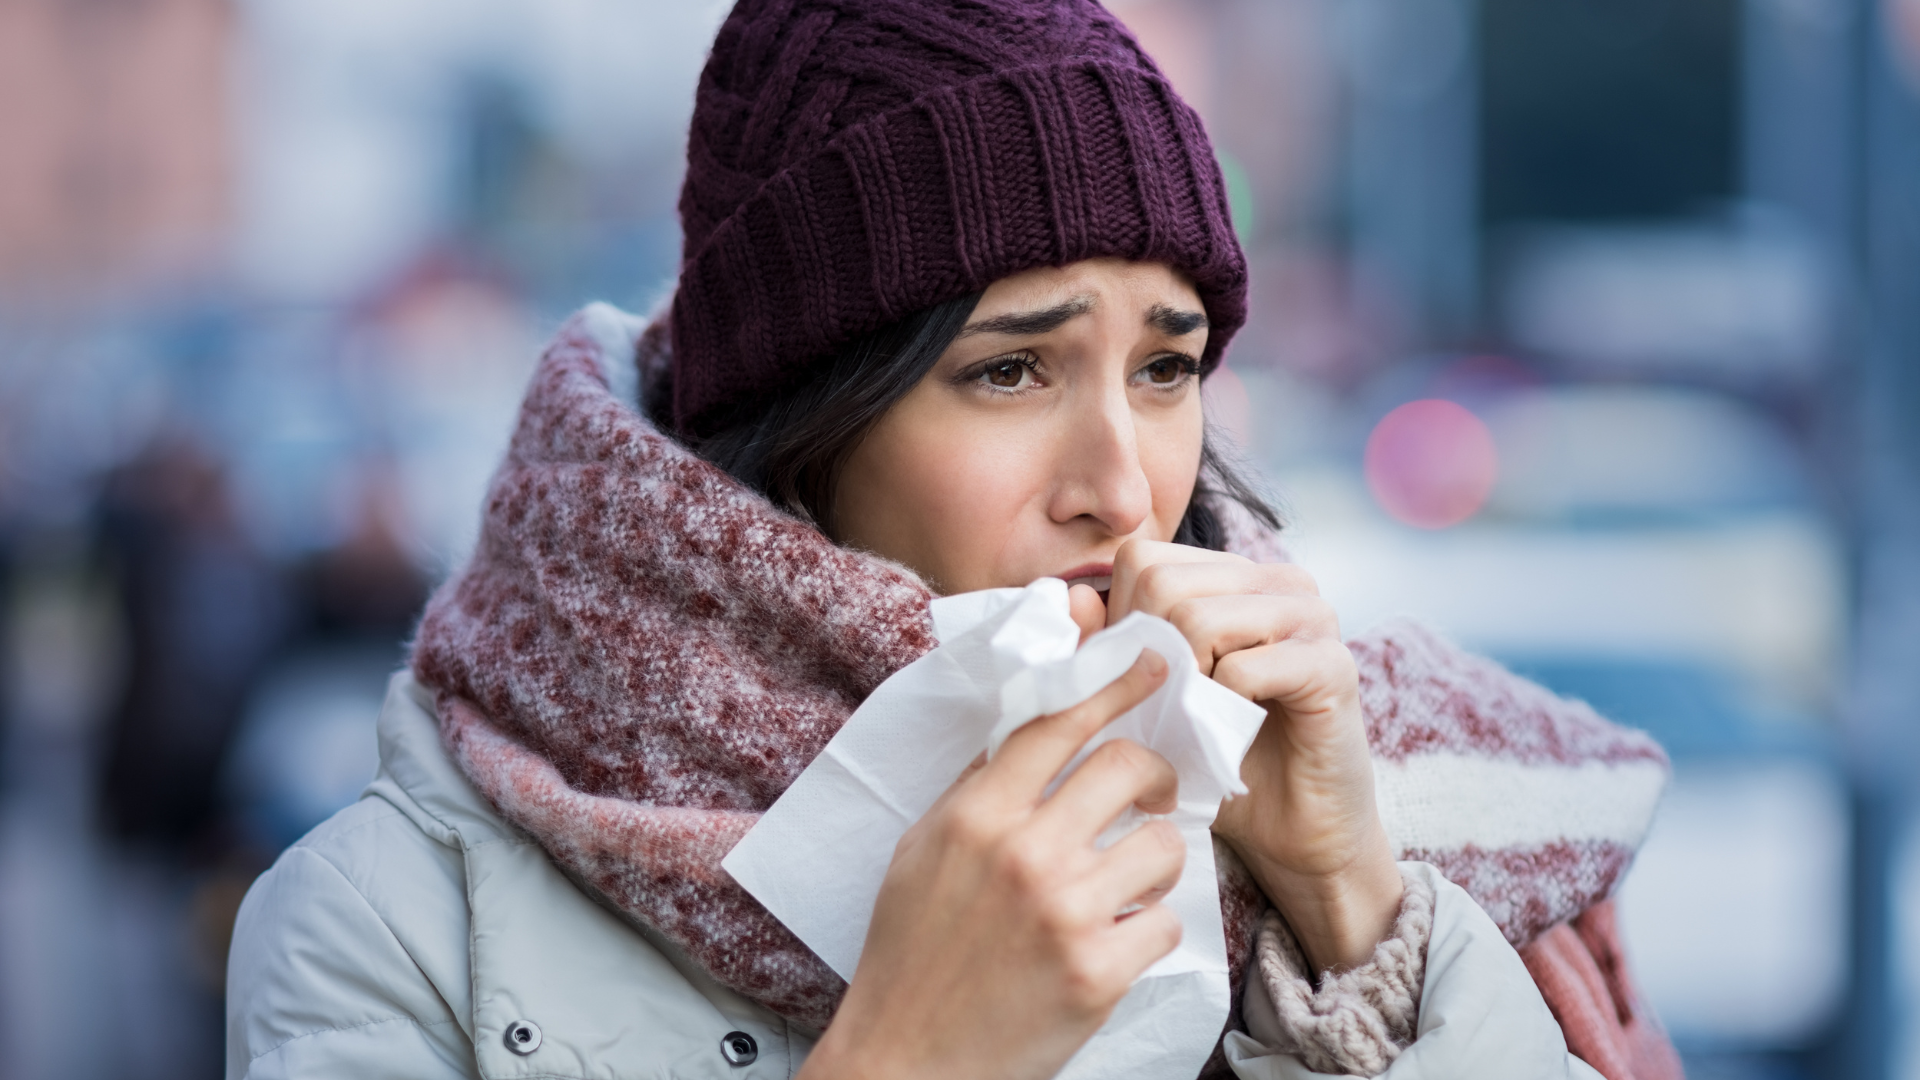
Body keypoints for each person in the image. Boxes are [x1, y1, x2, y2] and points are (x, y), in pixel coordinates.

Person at [225, 3, 1683, 1078]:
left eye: (1166, 367)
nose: (1123, 485)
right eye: (1009, 370)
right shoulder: (389, 926)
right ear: (804, 416)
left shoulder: (1325, 786)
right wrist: (909, 1057)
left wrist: (1354, 915)